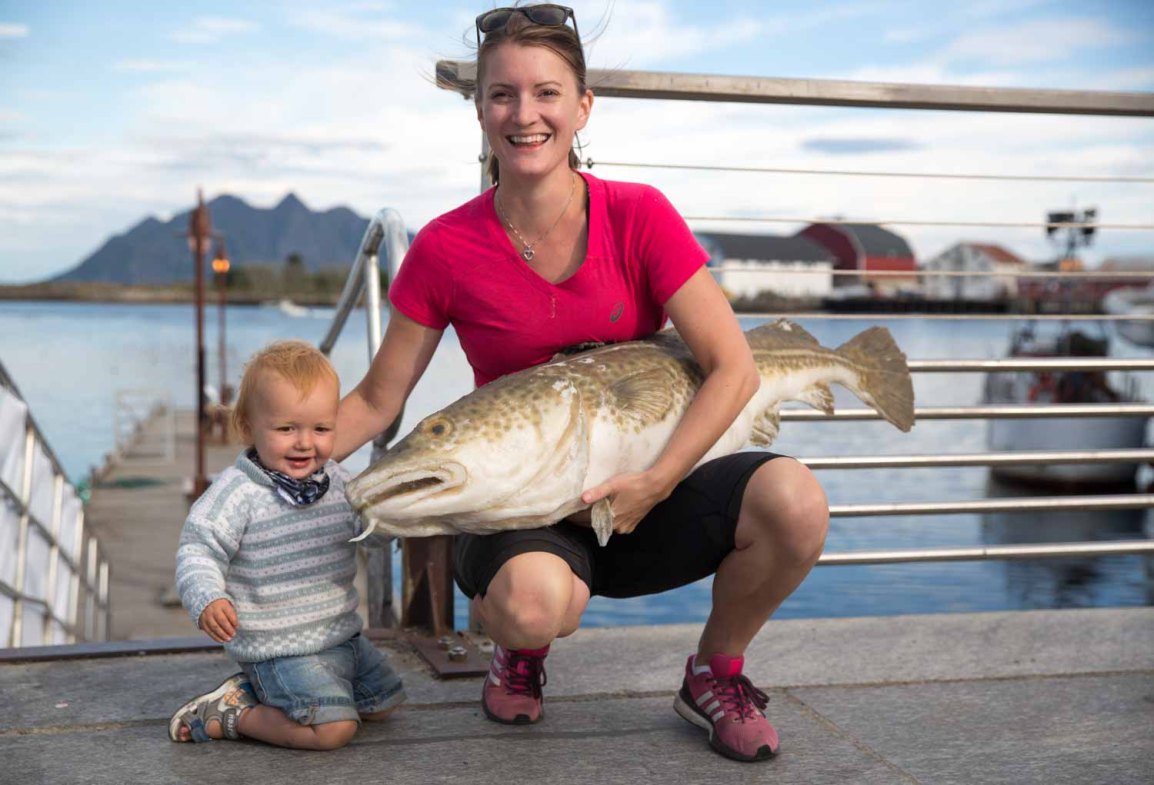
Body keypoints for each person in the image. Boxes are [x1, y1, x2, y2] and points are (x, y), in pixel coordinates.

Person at [334, 4, 828, 763]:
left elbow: (736, 369)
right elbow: (376, 401)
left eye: (546, 93)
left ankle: (713, 671)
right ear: (478, 110)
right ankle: (521, 650)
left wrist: (658, 480)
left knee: (795, 502)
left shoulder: (641, 216)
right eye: (502, 94)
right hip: (520, 508)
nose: (523, 114)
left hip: (643, 494)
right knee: (533, 606)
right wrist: (282, 453)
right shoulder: (445, 247)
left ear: (582, 106)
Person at [169, 340, 406, 750]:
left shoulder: (340, 482)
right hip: (279, 647)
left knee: (383, 704)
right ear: (248, 427)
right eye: (286, 429)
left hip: (339, 636)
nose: (304, 443)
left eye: (321, 429)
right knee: (333, 731)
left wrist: (391, 520)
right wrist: (207, 597)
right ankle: (234, 713)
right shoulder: (239, 492)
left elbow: (370, 534)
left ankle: (260, 693)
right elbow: (198, 549)